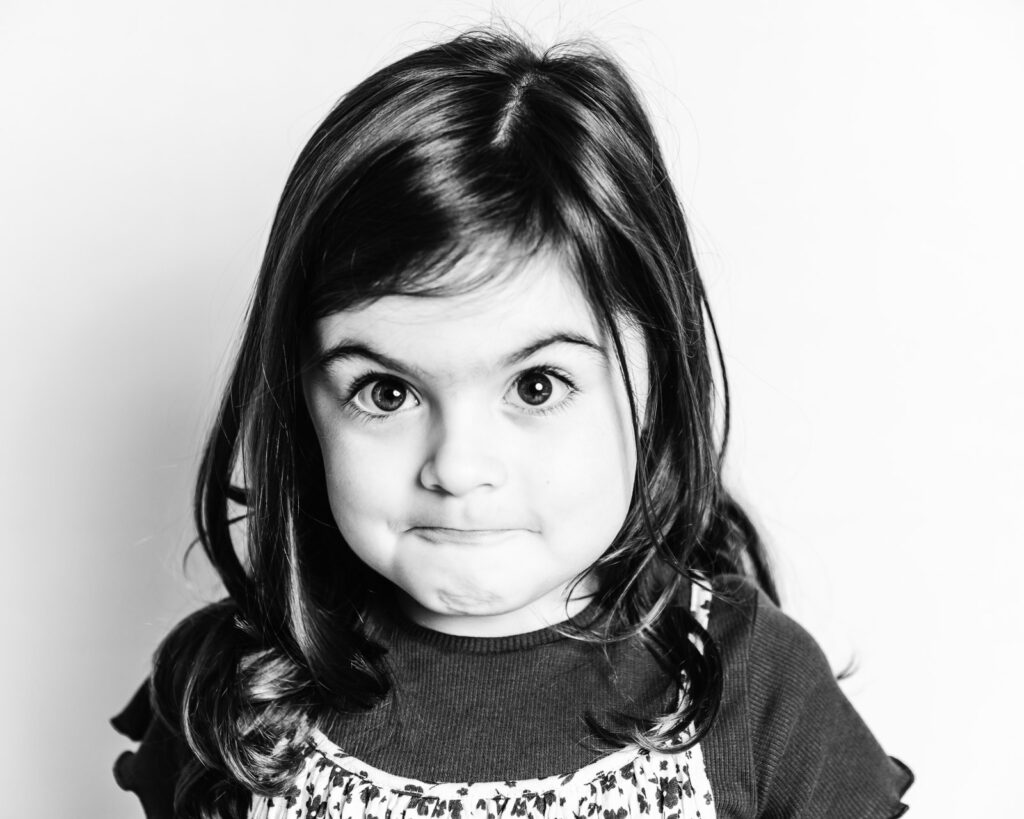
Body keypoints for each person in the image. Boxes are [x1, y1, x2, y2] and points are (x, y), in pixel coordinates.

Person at [111, 29, 913, 819]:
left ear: (653, 380)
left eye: (536, 385)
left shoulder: (757, 692)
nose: (458, 467)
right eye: (387, 392)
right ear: (302, 403)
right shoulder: (231, 692)